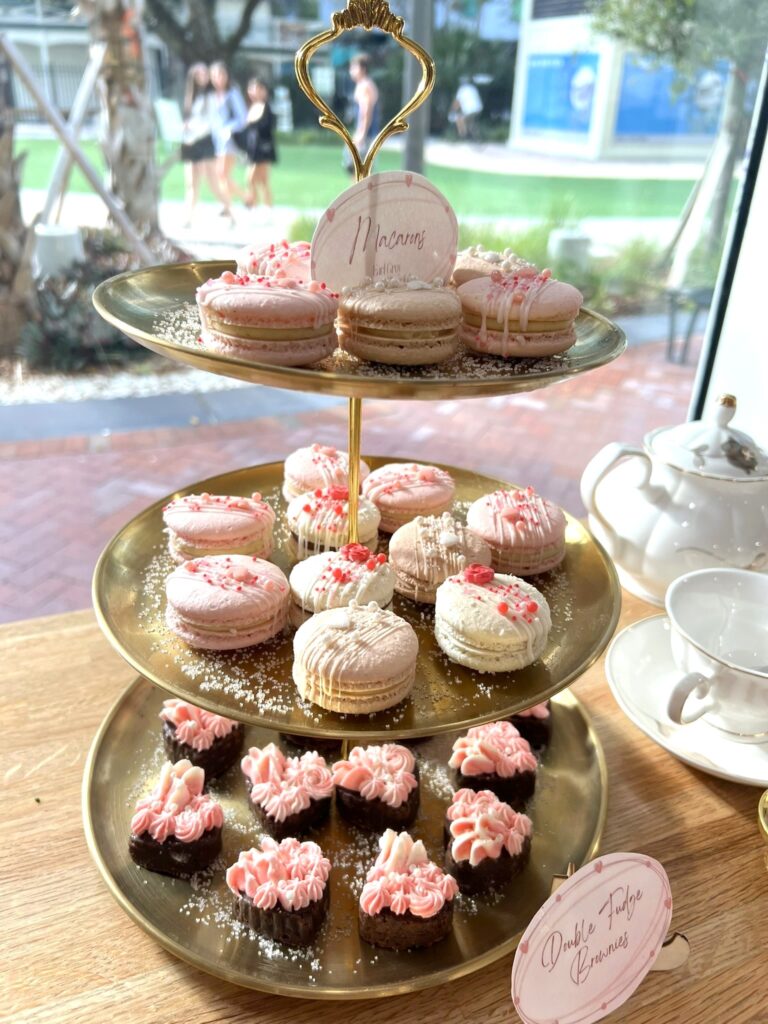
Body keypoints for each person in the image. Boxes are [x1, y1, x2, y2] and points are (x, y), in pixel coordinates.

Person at [180, 63, 223, 228]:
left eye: (205, 74)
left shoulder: (210, 96)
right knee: (191, 181)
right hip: (190, 142)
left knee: (212, 181)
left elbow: (210, 122)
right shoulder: (191, 97)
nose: (203, 78)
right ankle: (188, 217)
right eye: (199, 75)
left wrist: (193, 129)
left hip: (203, 141)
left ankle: (228, 210)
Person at [209, 61, 248, 218]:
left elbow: (242, 117)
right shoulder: (212, 96)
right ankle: (243, 197)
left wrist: (228, 128)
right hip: (217, 140)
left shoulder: (233, 94)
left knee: (222, 173)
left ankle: (229, 206)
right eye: (215, 75)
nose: (218, 78)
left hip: (230, 140)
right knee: (220, 175)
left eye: (221, 74)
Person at [236, 78, 277, 215]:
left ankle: (258, 206)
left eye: (257, 89)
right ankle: (259, 207)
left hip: (263, 150)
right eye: (252, 89)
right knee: (261, 181)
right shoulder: (251, 107)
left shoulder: (267, 108)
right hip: (252, 150)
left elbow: (267, 128)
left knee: (252, 179)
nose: (254, 92)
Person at [347, 53, 379, 172]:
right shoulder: (362, 85)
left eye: (354, 68)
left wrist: (361, 134)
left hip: (367, 135)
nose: (351, 71)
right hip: (365, 134)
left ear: (363, 69)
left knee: (361, 172)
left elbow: (366, 112)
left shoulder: (365, 86)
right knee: (355, 170)